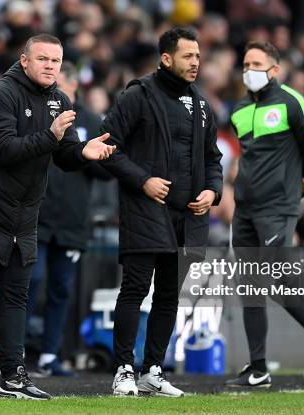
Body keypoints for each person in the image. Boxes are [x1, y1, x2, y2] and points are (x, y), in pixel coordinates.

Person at [0, 33, 115, 400]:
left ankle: (11, 376)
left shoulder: (60, 101)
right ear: (24, 60)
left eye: (56, 61)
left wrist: (84, 152)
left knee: (16, 294)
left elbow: (63, 156)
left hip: (21, 214)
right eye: (43, 59)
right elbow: (4, 150)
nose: (50, 66)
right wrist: (51, 137)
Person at [100, 27, 223, 396]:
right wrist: (143, 181)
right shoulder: (139, 95)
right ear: (166, 59)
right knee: (135, 288)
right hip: (145, 209)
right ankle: (123, 368)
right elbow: (107, 147)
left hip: (187, 217)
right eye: (189, 56)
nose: (196, 63)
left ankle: (153, 369)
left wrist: (212, 191)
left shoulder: (201, 105)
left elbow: (212, 159)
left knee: (170, 294)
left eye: (199, 57)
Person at [226, 41, 304, 389]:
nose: (250, 69)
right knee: (249, 285)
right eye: (246, 63)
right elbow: (249, 157)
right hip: (245, 208)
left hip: (278, 206)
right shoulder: (240, 110)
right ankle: (258, 368)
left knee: (273, 277)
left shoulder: (293, 102)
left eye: (257, 63)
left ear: (274, 69)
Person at [26, 61, 111, 377]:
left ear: (73, 86)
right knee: (29, 283)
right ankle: (15, 353)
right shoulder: (35, 113)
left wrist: (100, 154)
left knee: (61, 289)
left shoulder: (90, 120)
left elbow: (105, 173)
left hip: (73, 222)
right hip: (36, 214)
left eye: (59, 82)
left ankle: (49, 354)